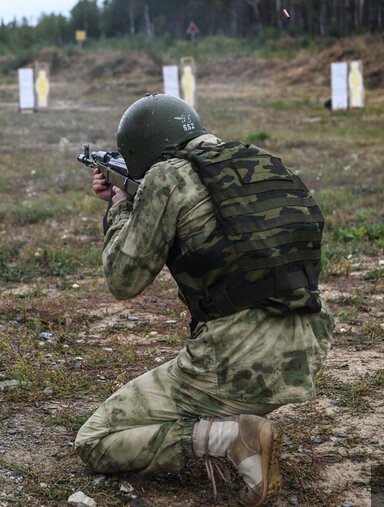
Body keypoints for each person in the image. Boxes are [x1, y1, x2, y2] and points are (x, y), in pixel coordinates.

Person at [74, 94, 334, 506]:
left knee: (95, 437)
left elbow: (122, 281)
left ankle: (231, 438)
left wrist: (121, 208)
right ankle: (237, 420)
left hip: (234, 363)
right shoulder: (259, 161)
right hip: (307, 351)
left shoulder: (164, 177)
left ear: (142, 151)